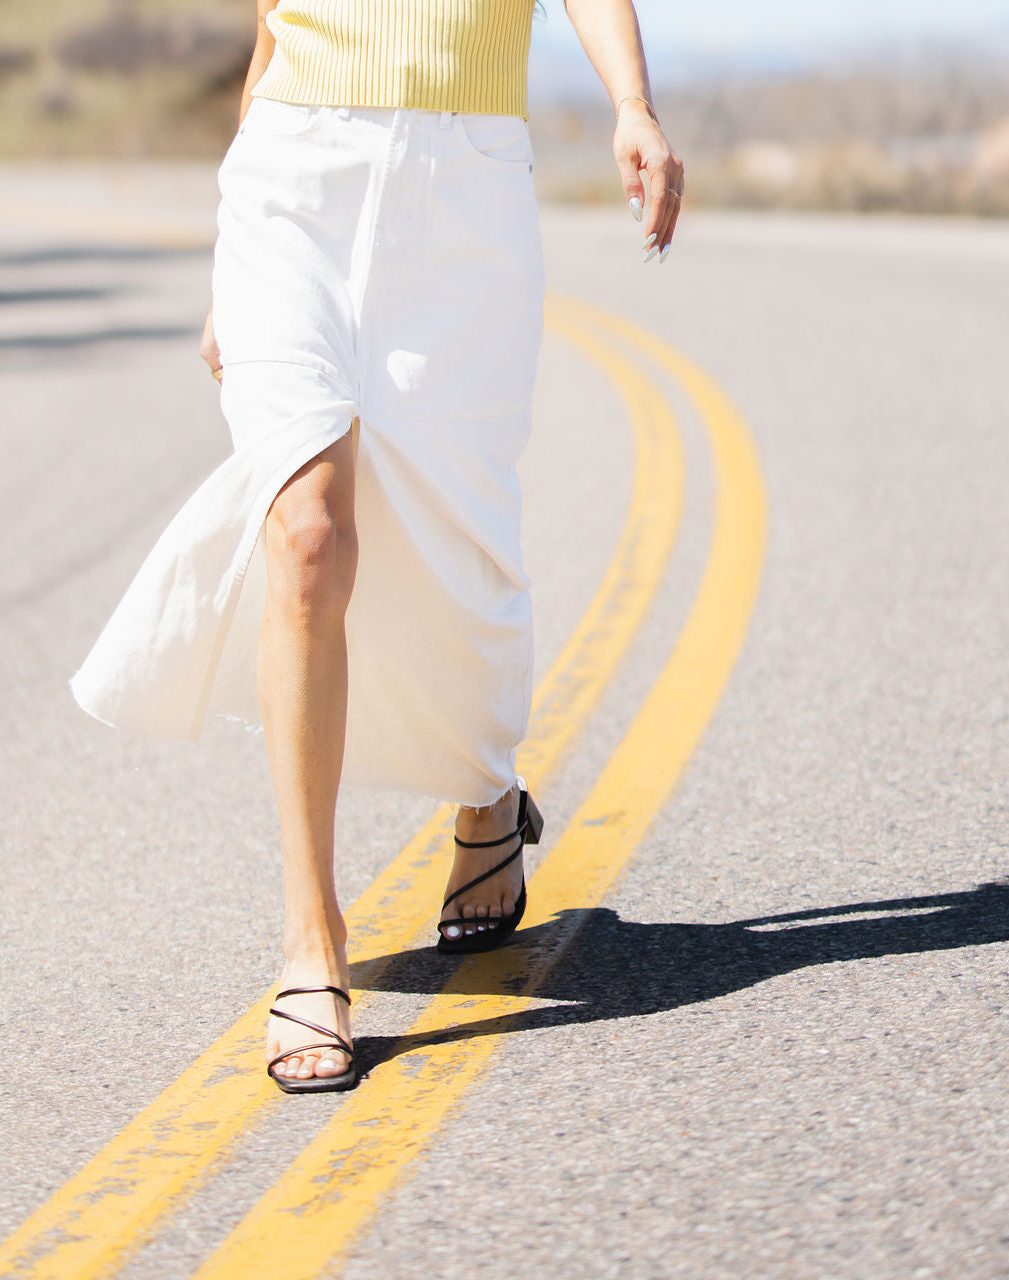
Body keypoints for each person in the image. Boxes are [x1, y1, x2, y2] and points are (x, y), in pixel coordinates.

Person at [71, 0, 683, 1094]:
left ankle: (484, 790)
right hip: (290, 177)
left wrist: (630, 101)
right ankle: (313, 941)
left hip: (463, 186)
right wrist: (230, 267)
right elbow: (271, 29)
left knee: (455, 533)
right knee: (306, 535)